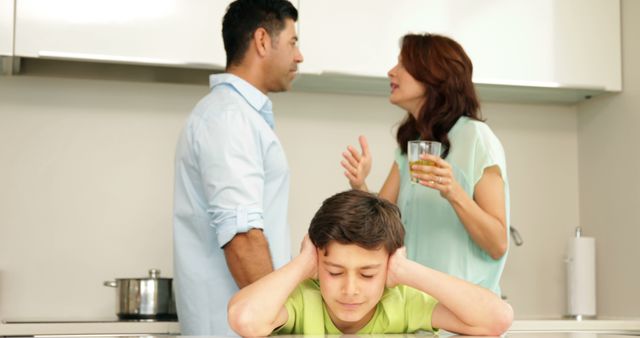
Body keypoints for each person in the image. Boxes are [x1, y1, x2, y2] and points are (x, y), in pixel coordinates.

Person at [340, 33, 510, 295]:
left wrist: (453, 191)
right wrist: (360, 183)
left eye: (403, 65)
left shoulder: (476, 138)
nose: (391, 72)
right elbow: (381, 227)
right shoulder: (410, 147)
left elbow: (498, 243)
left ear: (433, 75)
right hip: (417, 313)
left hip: (465, 316)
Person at [172, 0, 303, 335]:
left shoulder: (236, 116)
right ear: (262, 40)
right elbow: (242, 236)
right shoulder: (230, 119)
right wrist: (276, 324)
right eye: (292, 42)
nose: (299, 56)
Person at [227, 190, 513, 336]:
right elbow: (245, 320)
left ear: (388, 266)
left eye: (367, 274)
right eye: (335, 272)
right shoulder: (303, 298)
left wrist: (406, 270)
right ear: (317, 261)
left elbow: (497, 319)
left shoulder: (401, 301)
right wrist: (302, 263)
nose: (350, 290)